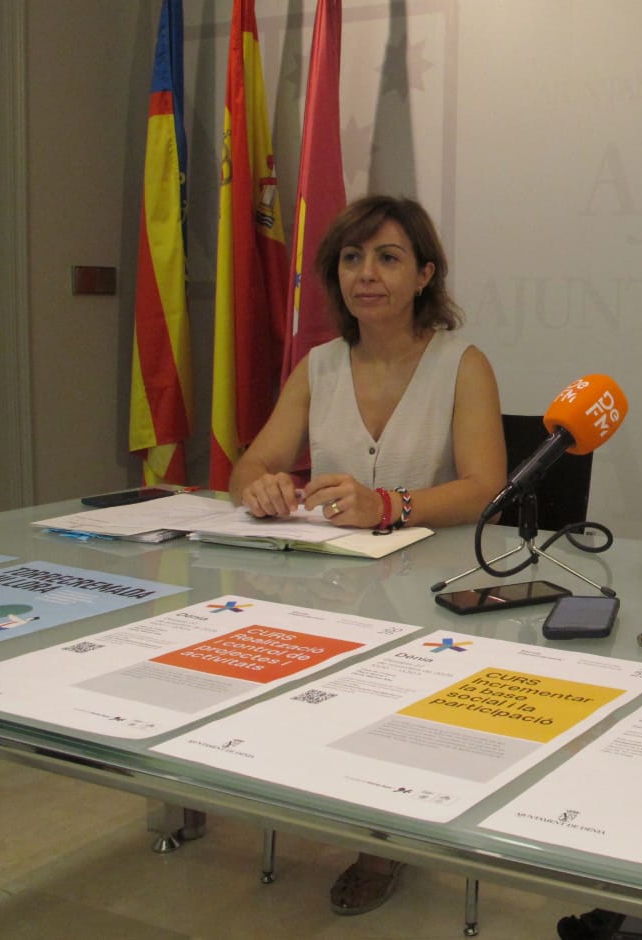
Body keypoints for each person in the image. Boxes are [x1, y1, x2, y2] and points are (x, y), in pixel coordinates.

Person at [230, 194, 507, 915]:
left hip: (437, 590)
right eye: (352, 258)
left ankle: (381, 839)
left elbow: (485, 488)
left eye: (387, 257)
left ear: (425, 274)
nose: (366, 274)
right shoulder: (319, 366)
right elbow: (249, 465)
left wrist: (388, 506)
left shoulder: (461, 363)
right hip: (333, 586)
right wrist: (261, 487)